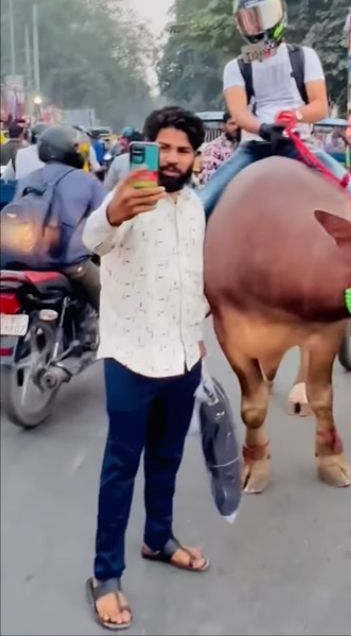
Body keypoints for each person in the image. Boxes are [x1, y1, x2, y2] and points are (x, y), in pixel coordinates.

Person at [81, 106, 209, 631]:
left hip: (183, 356)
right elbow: (93, 240)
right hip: (132, 357)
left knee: (167, 458)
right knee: (120, 469)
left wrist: (197, 336)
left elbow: (192, 277)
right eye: (166, 148)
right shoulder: (128, 201)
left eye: (184, 150)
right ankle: (105, 576)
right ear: (147, 149)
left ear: (196, 157)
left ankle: (159, 538)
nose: (174, 159)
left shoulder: (197, 207)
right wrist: (115, 213)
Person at [199, 0, 351, 217]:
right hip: (254, 147)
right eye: (250, 20)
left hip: (298, 144)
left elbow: (320, 105)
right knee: (202, 204)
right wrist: (263, 128)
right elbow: (239, 113)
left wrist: (297, 116)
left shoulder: (304, 56)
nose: (258, 27)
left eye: (262, 17)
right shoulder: (235, 67)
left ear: (280, 14)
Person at [10, 125, 106, 313]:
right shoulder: (88, 181)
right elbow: (106, 218)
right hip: (69, 262)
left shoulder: (28, 179)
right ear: (71, 150)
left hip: (20, 259)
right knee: (112, 301)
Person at [196, 112, 241, 186]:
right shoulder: (215, 149)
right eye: (232, 123)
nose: (237, 127)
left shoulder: (245, 146)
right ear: (223, 126)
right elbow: (207, 180)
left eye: (240, 124)